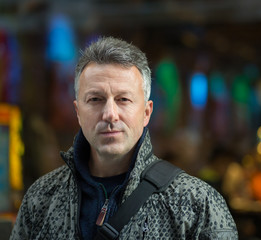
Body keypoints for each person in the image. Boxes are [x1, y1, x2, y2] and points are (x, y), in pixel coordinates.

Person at [10, 36, 238, 239]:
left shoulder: (198, 204)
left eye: (123, 99)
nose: (110, 114)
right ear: (78, 112)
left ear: (147, 112)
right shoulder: (41, 198)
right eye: (95, 99)